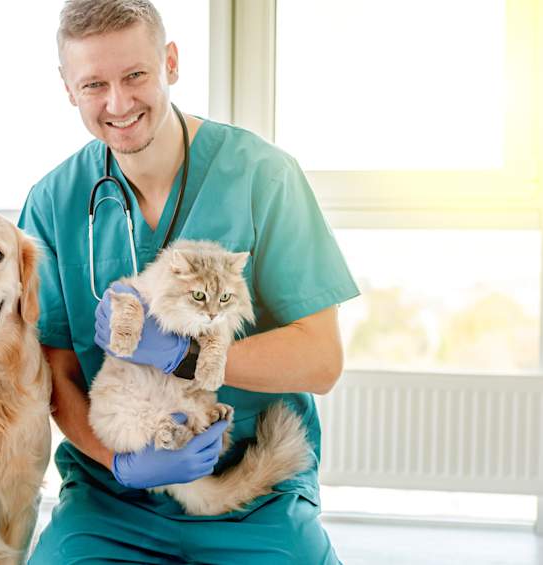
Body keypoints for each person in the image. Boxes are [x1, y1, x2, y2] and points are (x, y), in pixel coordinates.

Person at [18, 1, 359, 562]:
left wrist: (191, 356)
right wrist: (119, 462)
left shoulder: (262, 176)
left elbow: (321, 360)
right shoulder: (53, 203)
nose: (118, 103)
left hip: (253, 493)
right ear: (68, 89)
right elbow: (53, 371)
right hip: (111, 498)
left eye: (135, 76)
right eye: (93, 85)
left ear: (170, 63)